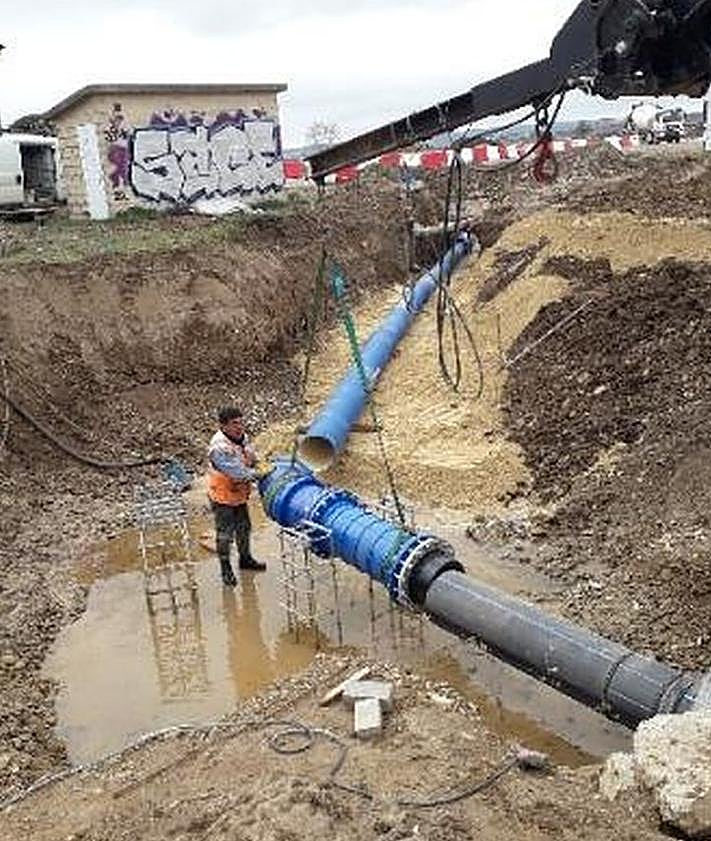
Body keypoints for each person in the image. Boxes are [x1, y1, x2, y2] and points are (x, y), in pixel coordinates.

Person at [207, 406, 267, 586]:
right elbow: (238, 473)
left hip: (238, 494)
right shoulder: (219, 448)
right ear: (223, 426)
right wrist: (260, 474)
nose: (239, 427)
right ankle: (226, 570)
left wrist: (259, 462)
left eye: (241, 422)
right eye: (234, 424)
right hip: (223, 496)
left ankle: (245, 560)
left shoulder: (241, 438)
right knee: (225, 534)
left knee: (244, 528)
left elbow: (250, 456)